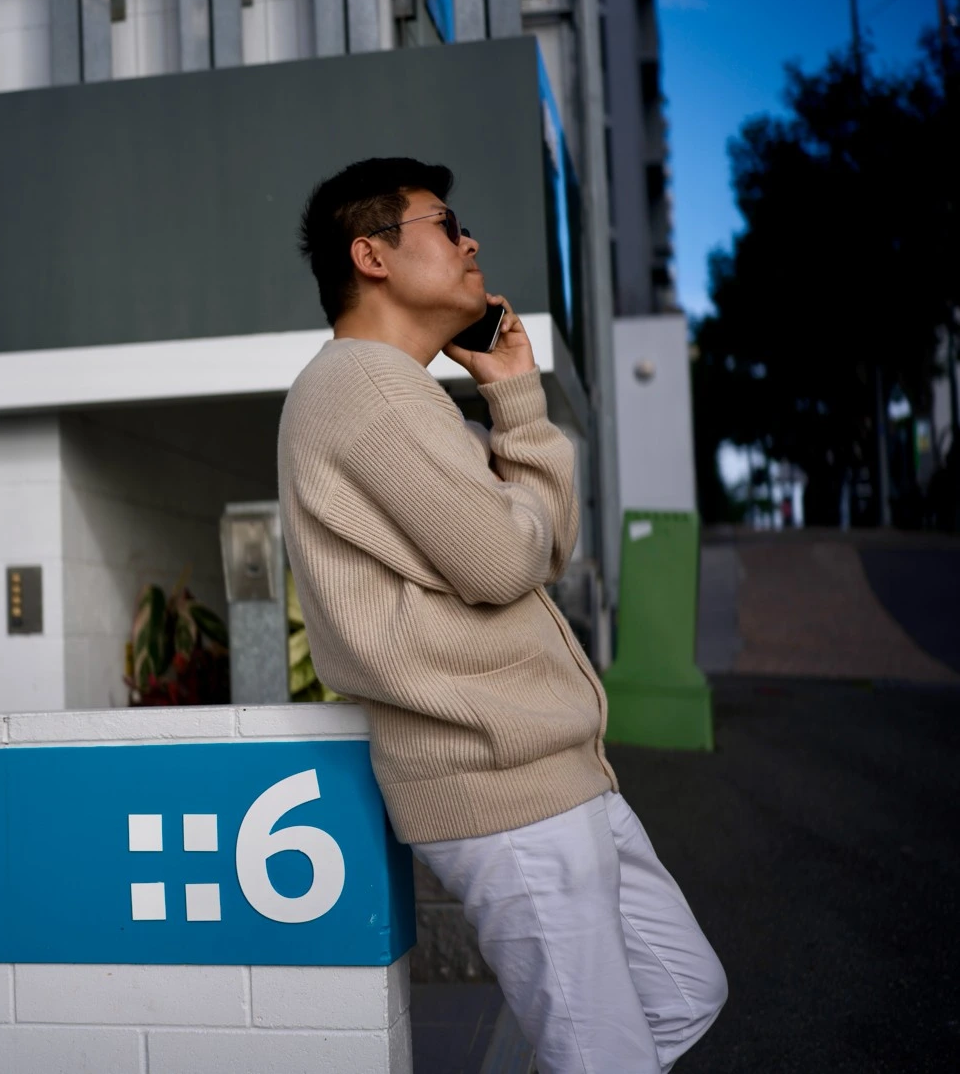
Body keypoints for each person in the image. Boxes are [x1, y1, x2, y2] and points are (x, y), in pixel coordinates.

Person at [277, 158, 726, 1073]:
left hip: (556, 772)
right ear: (371, 255)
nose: (470, 239)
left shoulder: (411, 397)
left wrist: (514, 396)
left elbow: (540, 549)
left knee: (685, 991)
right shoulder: (361, 385)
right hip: (497, 786)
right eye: (445, 222)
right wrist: (513, 511)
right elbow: (502, 557)